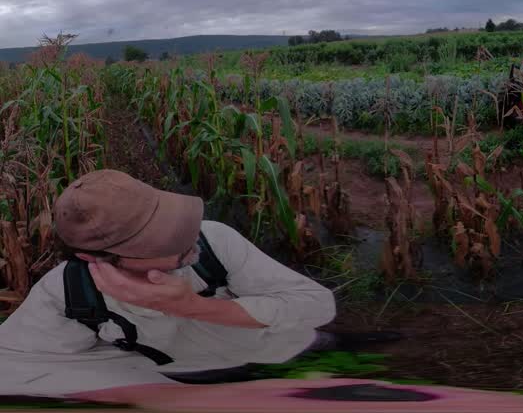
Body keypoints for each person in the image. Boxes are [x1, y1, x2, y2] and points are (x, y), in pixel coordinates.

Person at [0, 169, 338, 398]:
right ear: (96, 258)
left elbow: (317, 304)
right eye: (161, 240)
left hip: (285, 352)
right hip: (192, 380)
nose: (187, 241)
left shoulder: (214, 241)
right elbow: (12, 368)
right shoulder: (66, 294)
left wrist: (194, 307)